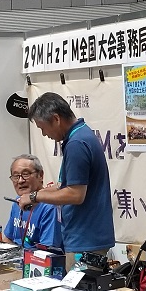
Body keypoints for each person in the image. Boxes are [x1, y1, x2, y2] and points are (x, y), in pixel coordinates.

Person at [21, 93, 115, 257]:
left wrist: (35, 197)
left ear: (56, 119)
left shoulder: (76, 144)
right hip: (84, 236)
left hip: (85, 239)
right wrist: (35, 194)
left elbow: (75, 194)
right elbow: (63, 186)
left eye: (42, 128)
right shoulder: (80, 134)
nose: (44, 134)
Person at [3, 154, 62, 250]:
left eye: (25, 174)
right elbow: (8, 238)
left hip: (37, 258)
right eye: (16, 176)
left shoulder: (50, 207)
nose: (20, 181)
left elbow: (47, 251)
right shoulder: (17, 202)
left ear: (40, 175)